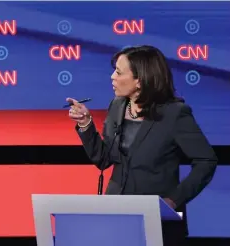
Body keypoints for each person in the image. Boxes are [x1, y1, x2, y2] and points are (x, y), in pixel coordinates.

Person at [66, 45, 217, 246]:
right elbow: (103, 160)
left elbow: (207, 161)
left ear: (140, 80)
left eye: (119, 72)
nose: (112, 77)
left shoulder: (174, 114)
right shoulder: (117, 106)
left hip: (158, 221)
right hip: (117, 218)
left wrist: (174, 200)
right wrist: (85, 124)